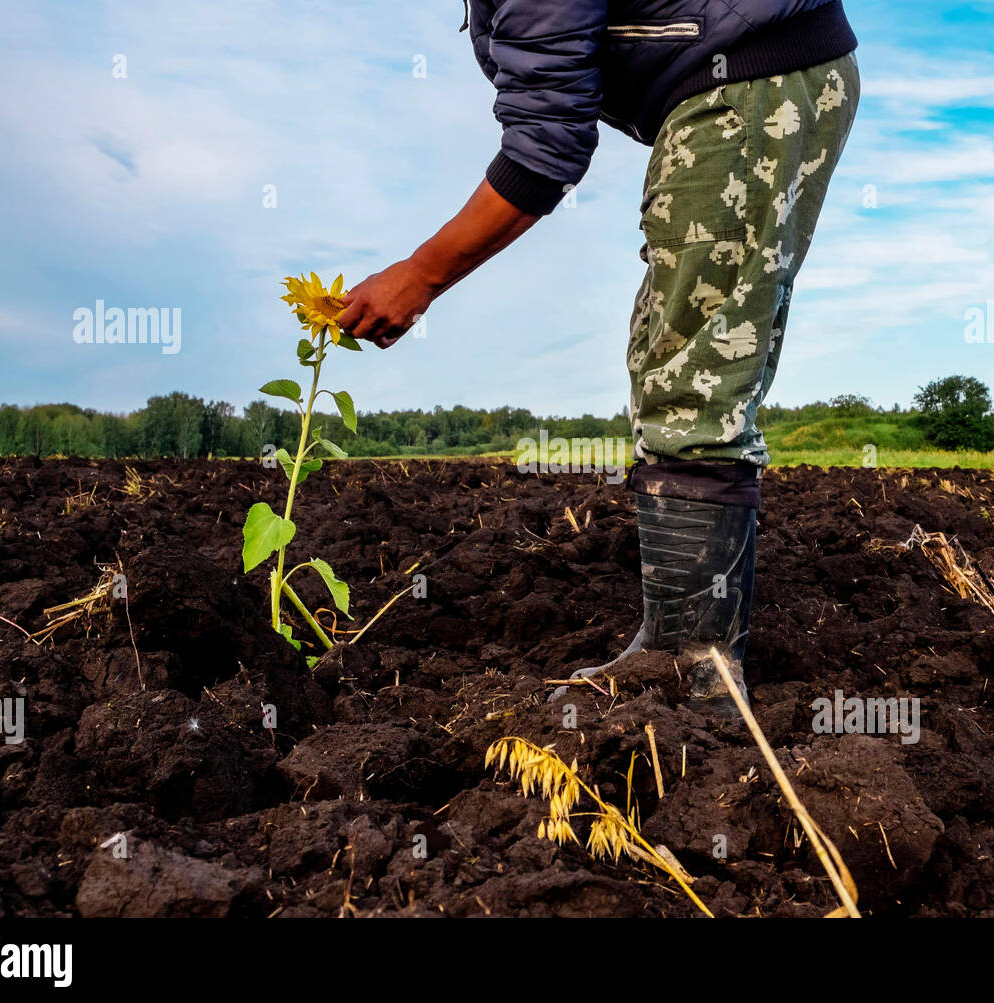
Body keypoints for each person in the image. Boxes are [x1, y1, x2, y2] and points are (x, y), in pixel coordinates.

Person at [337, 1, 860, 714]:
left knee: (694, 374)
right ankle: (678, 642)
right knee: (669, 349)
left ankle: (692, 666)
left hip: (749, 84)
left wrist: (422, 274)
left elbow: (544, 147)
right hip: (746, 77)